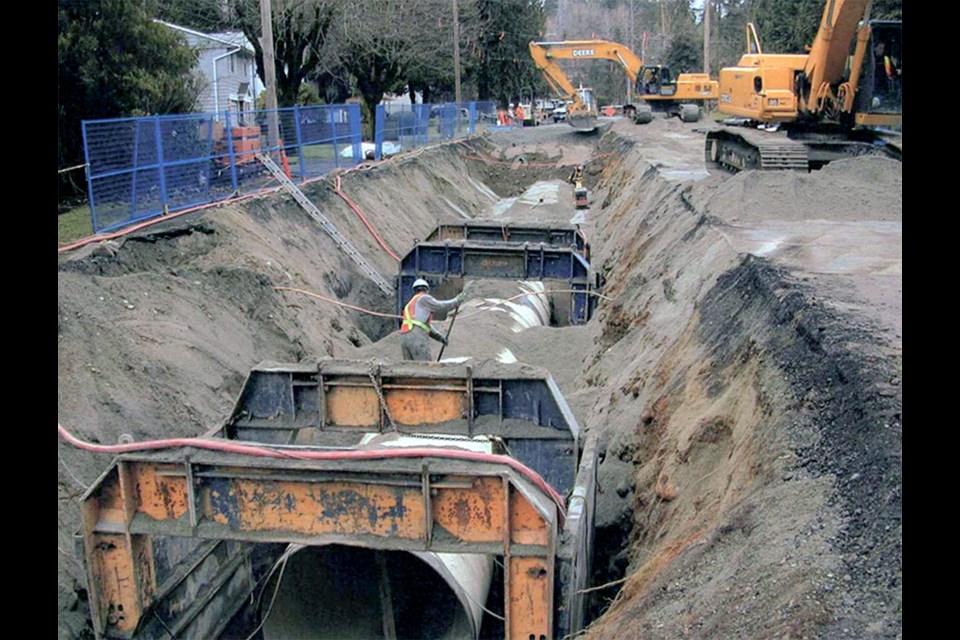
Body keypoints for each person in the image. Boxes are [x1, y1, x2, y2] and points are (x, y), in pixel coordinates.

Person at [400, 279, 469, 361]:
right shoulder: (424, 298)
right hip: (417, 336)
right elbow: (440, 306)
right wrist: (456, 301)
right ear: (427, 290)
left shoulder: (410, 304)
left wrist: (439, 337)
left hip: (405, 337)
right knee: (424, 366)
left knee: (409, 368)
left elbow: (423, 324)